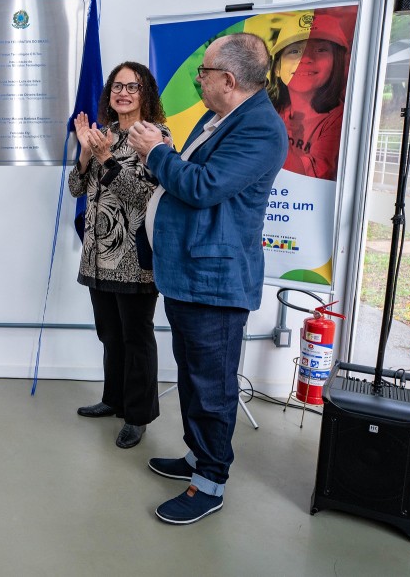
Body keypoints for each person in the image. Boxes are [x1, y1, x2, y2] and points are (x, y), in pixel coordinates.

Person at [127, 33, 287, 525]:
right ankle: (198, 456)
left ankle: (211, 482)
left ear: (229, 80)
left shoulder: (259, 129)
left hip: (215, 281)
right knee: (194, 377)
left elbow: (202, 187)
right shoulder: (219, 116)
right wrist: (157, 155)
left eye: (204, 72)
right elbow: (187, 175)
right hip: (189, 272)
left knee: (212, 388)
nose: (198, 79)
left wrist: (156, 153)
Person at [69, 62, 170, 449]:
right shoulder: (103, 132)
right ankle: (113, 399)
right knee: (109, 334)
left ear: (146, 94)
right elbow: (76, 189)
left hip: (133, 259)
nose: (123, 93)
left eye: (132, 86)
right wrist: (86, 153)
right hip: (97, 256)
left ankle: (138, 415)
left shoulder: (155, 136)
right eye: (117, 86)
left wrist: (108, 158)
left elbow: (142, 198)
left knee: (136, 338)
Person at [267, 13, 350, 180]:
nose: (305, 59)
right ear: (277, 68)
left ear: (337, 63)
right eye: (294, 51)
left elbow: (307, 177)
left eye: (320, 50)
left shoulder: (341, 120)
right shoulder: (270, 108)